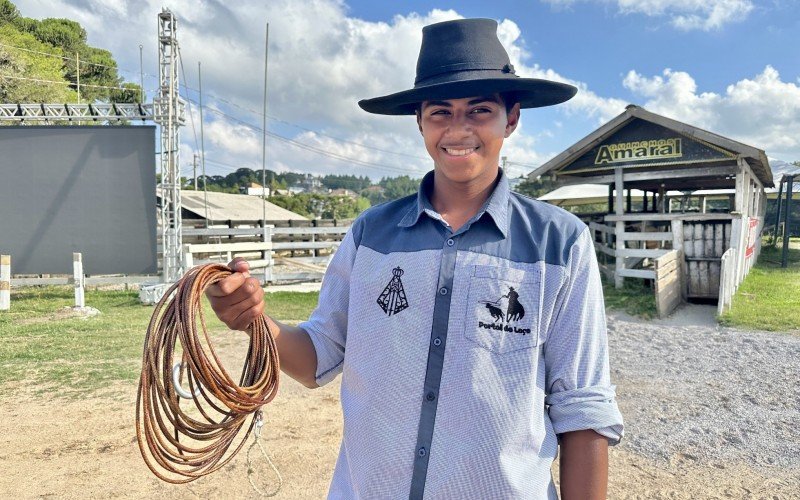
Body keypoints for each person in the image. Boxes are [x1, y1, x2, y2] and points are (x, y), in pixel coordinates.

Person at [207, 18, 623, 499]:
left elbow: (583, 406)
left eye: (480, 110)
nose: (458, 129)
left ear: (512, 119)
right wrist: (255, 322)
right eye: (441, 111)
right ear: (420, 122)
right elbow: (319, 355)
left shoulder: (559, 243)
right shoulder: (370, 234)